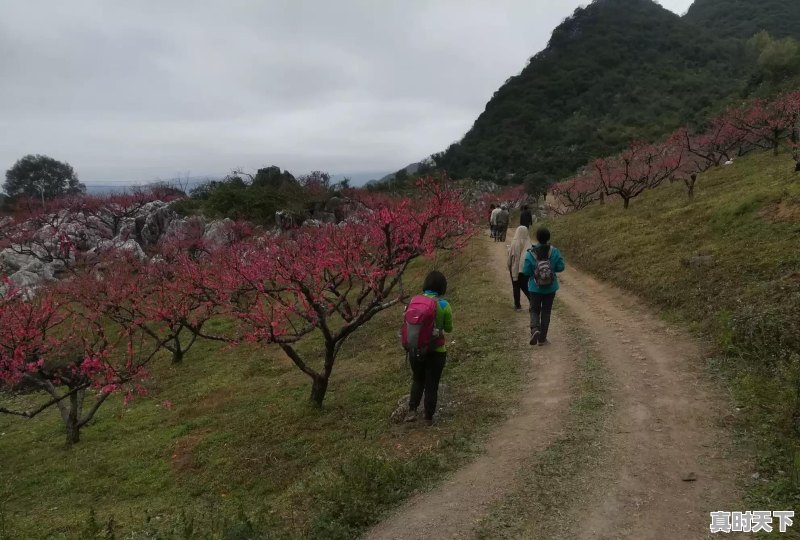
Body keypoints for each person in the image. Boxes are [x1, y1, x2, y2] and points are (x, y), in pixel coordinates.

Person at [406, 271, 453, 426]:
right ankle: (428, 417)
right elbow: (449, 328)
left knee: (417, 379)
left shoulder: (414, 301)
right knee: (432, 384)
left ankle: (412, 410)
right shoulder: (444, 305)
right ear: (442, 287)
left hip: (416, 349)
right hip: (437, 351)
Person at [522, 227, 565, 346]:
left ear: (537, 238)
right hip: (550, 288)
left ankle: (535, 329)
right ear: (548, 237)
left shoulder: (531, 253)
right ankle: (542, 339)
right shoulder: (554, 251)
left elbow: (525, 271)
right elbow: (561, 267)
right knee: (546, 312)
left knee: (534, 310)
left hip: (534, 288)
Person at [507, 226, 531, 311]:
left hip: (515, 268)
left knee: (516, 286)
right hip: (525, 269)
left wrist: (509, 264)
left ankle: (517, 305)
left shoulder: (515, 242)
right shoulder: (529, 242)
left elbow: (511, 256)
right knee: (524, 285)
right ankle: (533, 302)